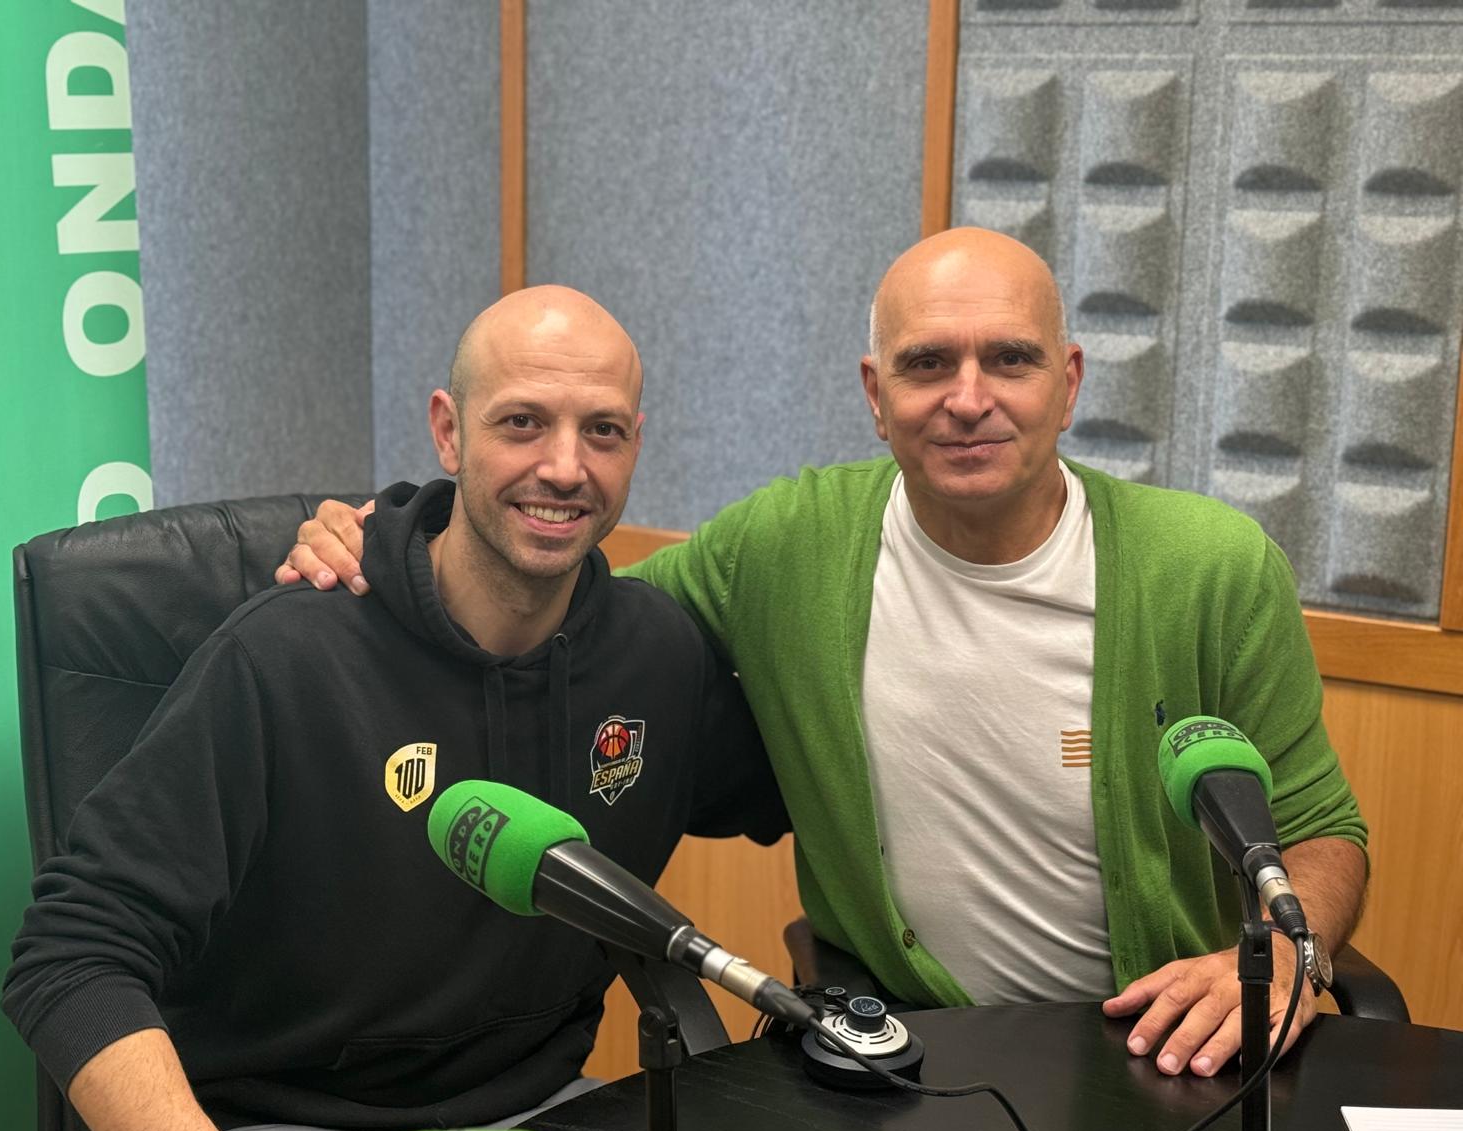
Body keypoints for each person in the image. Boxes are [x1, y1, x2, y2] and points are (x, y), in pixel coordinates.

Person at [282, 229, 1368, 1082]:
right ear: (874, 393)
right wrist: (387, 536)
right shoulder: (787, 546)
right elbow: (558, 608)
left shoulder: (1212, 568)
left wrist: (1285, 954)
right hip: (912, 1057)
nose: (969, 396)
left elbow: (1321, 831)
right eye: (927, 363)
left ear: (1070, 381)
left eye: (1011, 360)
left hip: (1161, 1052)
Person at [3, 286, 787, 1131]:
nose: (566, 467)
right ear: (448, 433)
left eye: (603, 432)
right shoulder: (286, 658)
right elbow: (70, 952)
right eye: (523, 423)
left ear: (637, 445)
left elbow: (805, 790)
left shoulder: (659, 657)